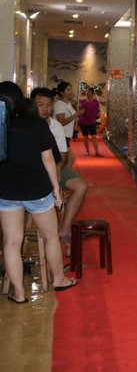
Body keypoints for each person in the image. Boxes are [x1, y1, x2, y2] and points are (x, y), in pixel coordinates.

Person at [0, 81, 78, 303]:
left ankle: (19, 293)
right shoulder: (37, 124)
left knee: (11, 242)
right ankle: (59, 280)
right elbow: (48, 159)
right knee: (50, 236)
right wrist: (56, 190)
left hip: (7, 191)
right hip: (37, 191)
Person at [30, 88, 88, 254]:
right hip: (34, 172)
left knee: (81, 186)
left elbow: (63, 155)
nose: (45, 109)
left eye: (49, 105)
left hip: (56, 167)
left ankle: (65, 228)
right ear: (33, 105)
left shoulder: (55, 126)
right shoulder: (27, 125)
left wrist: (57, 171)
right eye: (40, 105)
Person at [53, 81, 81, 166]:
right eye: (68, 90)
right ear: (62, 92)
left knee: (68, 160)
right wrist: (77, 114)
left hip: (66, 135)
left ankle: (61, 173)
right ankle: (60, 173)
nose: (71, 91)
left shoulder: (68, 103)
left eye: (71, 89)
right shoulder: (59, 104)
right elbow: (61, 122)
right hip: (61, 135)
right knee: (69, 159)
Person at [78, 87, 102, 156]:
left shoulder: (96, 102)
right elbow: (79, 109)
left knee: (94, 136)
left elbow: (98, 110)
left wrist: (97, 114)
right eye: (86, 91)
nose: (87, 93)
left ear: (92, 93)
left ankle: (97, 152)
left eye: (88, 91)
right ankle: (87, 151)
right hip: (83, 122)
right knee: (85, 137)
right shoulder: (82, 101)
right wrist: (80, 107)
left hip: (92, 122)